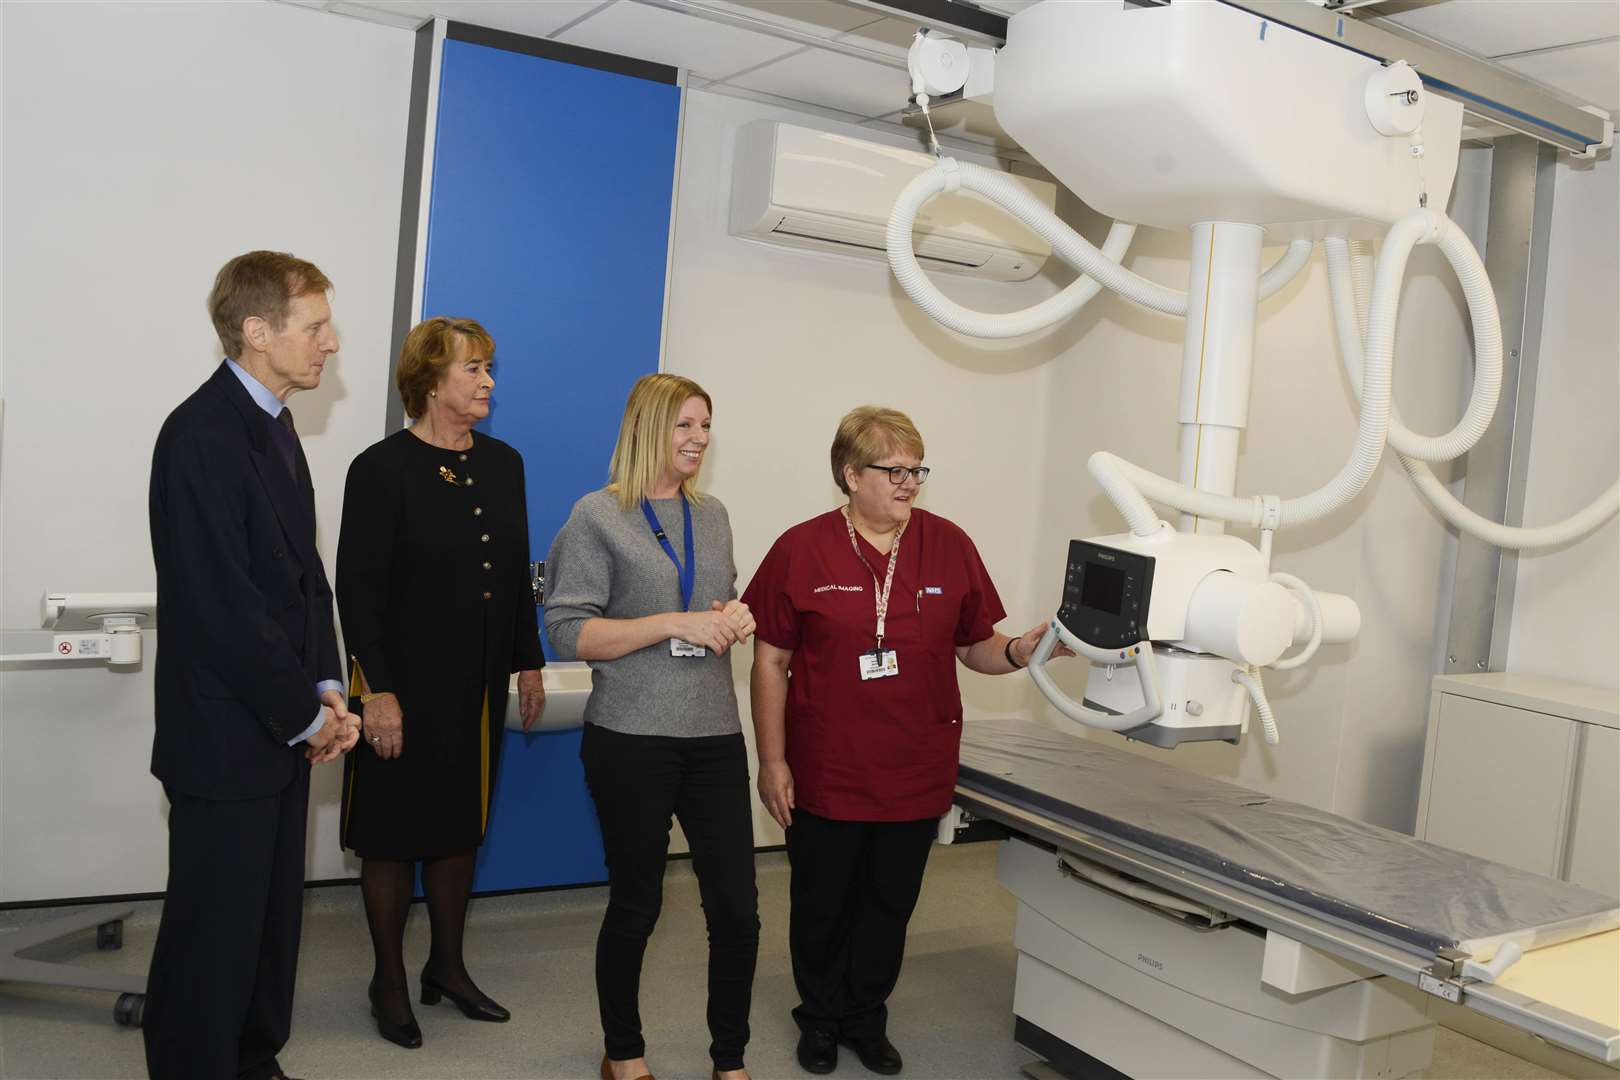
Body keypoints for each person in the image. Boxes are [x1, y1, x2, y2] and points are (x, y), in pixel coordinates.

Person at [742, 405, 1064, 1077]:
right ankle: (821, 1018)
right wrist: (771, 761)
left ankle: (867, 1015)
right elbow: (769, 661)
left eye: (917, 468)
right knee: (822, 901)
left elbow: (977, 647)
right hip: (827, 764)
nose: (909, 482)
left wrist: (1023, 652)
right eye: (894, 470)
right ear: (850, 474)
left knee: (890, 902)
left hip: (916, 765)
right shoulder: (801, 549)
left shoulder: (948, 544)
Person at [144, 250, 360, 1080]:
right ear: (256, 329)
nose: (331, 343)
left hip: (280, 726)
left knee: (270, 926)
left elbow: (305, 578)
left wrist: (329, 685)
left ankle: (251, 1058)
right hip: (226, 736)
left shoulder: (273, 424)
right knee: (213, 937)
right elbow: (219, 606)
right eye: (316, 326)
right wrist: (306, 714)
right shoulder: (199, 433)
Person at [335, 316, 546, 1048]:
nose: (488, 381)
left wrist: (528, 660)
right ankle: (388, 981)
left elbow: (514, 577)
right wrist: (378, 692)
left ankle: (447, 969)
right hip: (402, 688)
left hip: (477, 686)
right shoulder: (380, 469)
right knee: (392, 839)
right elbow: (356, 592)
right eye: (473, 369)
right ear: (430, 381)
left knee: (460, 830)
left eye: (490, 368)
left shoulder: (504, 463)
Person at [544, 373, 759, 1080]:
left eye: (706, 425)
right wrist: (670, 622)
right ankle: (624, 1053)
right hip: (631, 736)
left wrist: (734, 618)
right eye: (685, 426)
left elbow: (715, 601)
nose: (699, 439)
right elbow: (568, 632)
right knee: (636, 904)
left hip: (713, 735)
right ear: (648, 428)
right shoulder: (597, 516)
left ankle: (729, 1060)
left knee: (737, 909)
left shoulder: (716, 514)